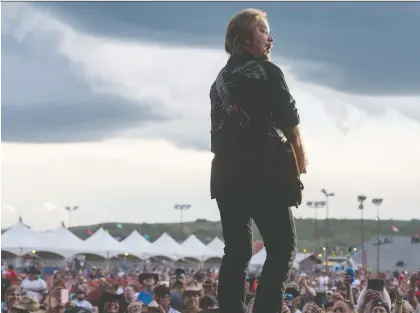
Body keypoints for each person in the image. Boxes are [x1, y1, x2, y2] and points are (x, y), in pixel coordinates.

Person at [209, 8, 307, 313]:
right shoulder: (268, 72)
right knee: (281, 249)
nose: (270, 37)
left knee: (236, 253)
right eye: (262, 30)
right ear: (243, 41)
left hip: (226, 175)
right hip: (264, 172)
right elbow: (291, 124)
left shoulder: (219, 83)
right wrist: (300, 164)